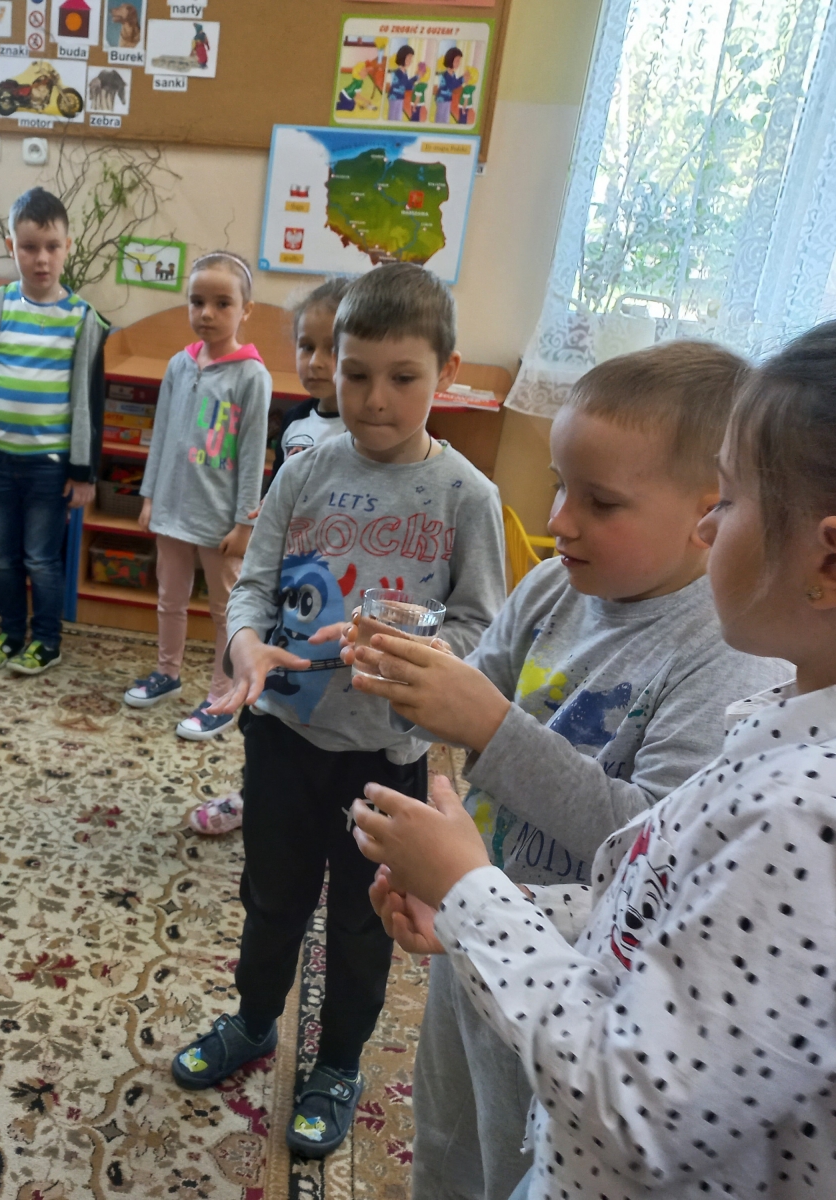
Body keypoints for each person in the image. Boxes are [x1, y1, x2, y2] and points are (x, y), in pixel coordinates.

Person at [353, 308, 836, 1200]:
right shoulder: (811, 727)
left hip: (551, 1012)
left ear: (832, 565)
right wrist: (479, 889)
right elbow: (654, 887)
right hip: (517, 942)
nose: (559, 520)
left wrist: (473, 883)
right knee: (452, 1131)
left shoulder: (817, 814)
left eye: (729, 502)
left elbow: (632, 1104)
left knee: (502, 1144)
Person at [169, 263, 506, 1159]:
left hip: (384, 757)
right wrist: (245, 644)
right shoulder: (305, 471)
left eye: (403, 377)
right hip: (283, 736)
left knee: (362, 921)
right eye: (356, 374)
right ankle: (253, 1022)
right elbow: (253, 586)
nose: (375, 398)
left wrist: (415, 658)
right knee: (271, 896)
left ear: (446, 372)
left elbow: (483, 629)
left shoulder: (469, 497)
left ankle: (339, 1064)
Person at [189, 276, 351, 832]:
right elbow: (280, 489)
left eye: (333, 349)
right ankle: (252, 795)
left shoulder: (365, 432)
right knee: (265, 704)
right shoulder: (296, 419)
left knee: (323, 704)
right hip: (283, 586)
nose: (317, 362)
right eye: (307, 346)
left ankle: (330, 817)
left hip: (335, 593)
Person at [0, 187, 108, 675]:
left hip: (50, 467)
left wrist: (85, 472)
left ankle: (47, 640)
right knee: (1, 554)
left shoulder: (83, 320)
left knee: (41, 558)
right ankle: (11, 632)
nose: (41, 258)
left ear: (68, 247)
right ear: (10, 246)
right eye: (30, 247)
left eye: (52, 247)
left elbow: (90, 402)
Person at [123, 251, 271, 740]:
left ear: (245, 310)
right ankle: (167, 672)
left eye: (222, 303)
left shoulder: (252, 376)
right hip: (171, 510)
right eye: (197, 301)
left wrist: (245, 522)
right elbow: (161, 435)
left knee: (226, 611)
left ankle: (222, 695)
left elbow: (252, 454)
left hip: (220, 520)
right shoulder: (178, 365)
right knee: (170, 599)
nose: (207, 313)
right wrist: (149, 496)